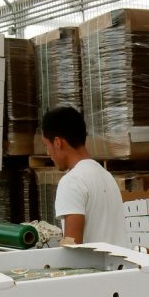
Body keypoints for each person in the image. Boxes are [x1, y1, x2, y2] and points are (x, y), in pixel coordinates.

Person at [41, 106, 129, 247]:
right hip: (118, 266)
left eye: (47, 145)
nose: (48, 153)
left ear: (57, 142)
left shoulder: (72, 181)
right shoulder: (106, 176)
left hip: (95, 268)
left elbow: (72, 243)